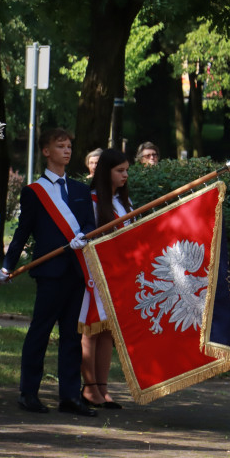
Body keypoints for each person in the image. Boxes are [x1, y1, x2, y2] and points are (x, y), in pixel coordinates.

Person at [0, 128, 97, 417]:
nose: (67, 151)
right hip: (50, 272)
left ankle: (70, 396)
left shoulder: (80, 190)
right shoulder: (34, 192)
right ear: (46, 151)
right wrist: (7, 264)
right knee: (39, 333)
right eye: (60, 146)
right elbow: (22, 232)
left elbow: (90, 225)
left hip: (76, 271)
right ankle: (28, 392)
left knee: (71, 335)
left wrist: (86, 236)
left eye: (69, 146)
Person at [81, 148, 131, 409]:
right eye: (119, 170)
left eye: (126, 171)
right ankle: (89, 387)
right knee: (92, 330)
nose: (125, 175)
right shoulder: (91, 200)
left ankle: (102, 387)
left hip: (118, 274)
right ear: (106, 172)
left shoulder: (123, 202)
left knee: (107, 333)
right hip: (95, 273)